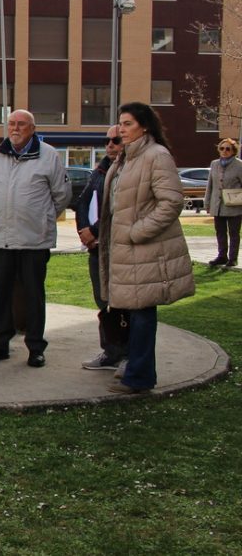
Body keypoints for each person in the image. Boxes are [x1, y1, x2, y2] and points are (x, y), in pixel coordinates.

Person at [100, 102, 195, 394]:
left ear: (144, 126)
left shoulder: (156, 156)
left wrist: (137, 232)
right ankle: (135, 371)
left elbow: (172, 202)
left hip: (145, 251)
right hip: (125, 251)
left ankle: (139, 377)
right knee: (132, 313)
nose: (121, 129)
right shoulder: (125, 158)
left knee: (142, 314)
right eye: (120, 123)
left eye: (128, 123)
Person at [0, 109, 72, 367]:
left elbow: (62, 195)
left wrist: (41, 218)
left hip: (34, 240)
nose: (15, 128)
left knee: (33, 295)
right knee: (0, 294)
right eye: (11, 124)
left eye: (21, 124)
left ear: (32, 128)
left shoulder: (49, 156)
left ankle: (36, 347)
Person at [75, 125, 129, 371]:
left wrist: (95, 231)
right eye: (106, 141)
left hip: (118, 247)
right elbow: (82, 202)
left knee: (123, 304)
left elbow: (117, 209)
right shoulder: (99, 171)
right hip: (96, 248)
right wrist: (84, 232)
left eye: (116, 140)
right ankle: (110, 351)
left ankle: (127, 354)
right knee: (103, 301)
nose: (110, 145)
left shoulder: (128, 171)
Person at [206, 137, 241, 268]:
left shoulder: (239, 165)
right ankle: (222, 256)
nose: (224, 151)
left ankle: (233, 258)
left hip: (234, 206)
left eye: (228, 149)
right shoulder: (214, 164)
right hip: (218, 205)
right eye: (222, 148)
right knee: (220, 232)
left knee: (234, 233)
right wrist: (207, 202)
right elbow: (210, 185)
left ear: (233, 151)